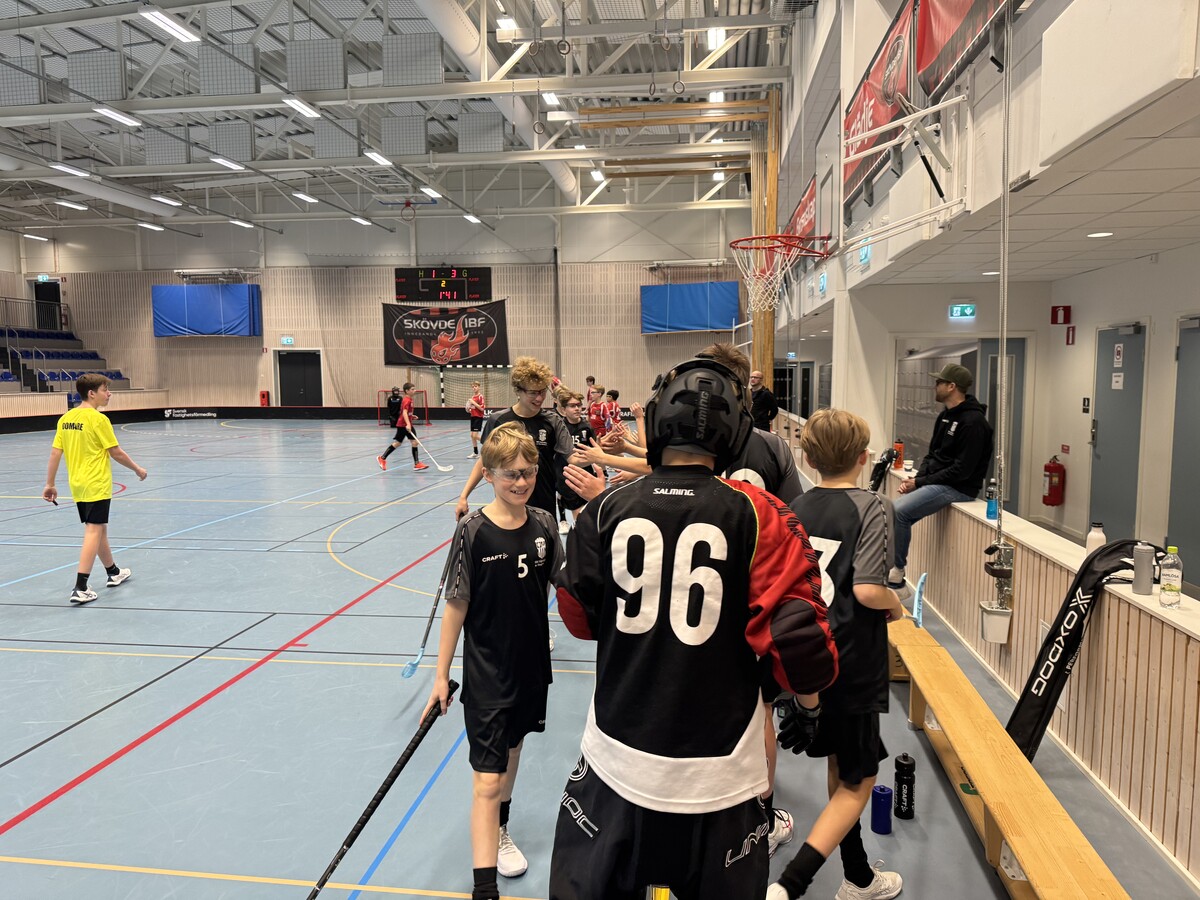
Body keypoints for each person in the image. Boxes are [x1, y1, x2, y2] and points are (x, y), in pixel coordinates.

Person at [548, 354, 838, 900]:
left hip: (617, 759)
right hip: (721, 776)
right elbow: (801, 644)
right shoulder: (763, 513)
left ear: (657, 419)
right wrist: (810, 708)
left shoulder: (606, 508)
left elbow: (578, 619)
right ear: (736, 432)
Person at [422, 422, 564, 900]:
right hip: (487, 675)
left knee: (514, 752)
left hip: (531, 671)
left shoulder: (544, 524)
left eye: (528, 472)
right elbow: (456, 605)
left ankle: (501, 829)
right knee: (486, 780)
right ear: (488, 475)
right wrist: (441, 675)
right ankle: (484, 890)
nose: (521, 482)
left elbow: (566, 583)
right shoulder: (473, 531)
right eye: (510, 474)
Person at [769, 408, 905, 900]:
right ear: (864, 458)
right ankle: (791, 885)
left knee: (840, 763)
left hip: (807, 658)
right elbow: (868, 589)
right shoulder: (874, 506)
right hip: (851, 660)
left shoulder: (795, 506)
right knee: (858, 779)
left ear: (808, 459)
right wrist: (897, 606)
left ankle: (858, 874)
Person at [42, 373, 148, 604]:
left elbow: (55, 452)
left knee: (99, 529)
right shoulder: (99, 419)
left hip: (78, 485)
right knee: (93, 530)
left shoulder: (66, 419)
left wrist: (50, 483)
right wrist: (138, 469)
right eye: (104, 389)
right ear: (91, 393)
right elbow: (116, 452)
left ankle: (113, 572)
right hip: (96, 483)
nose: (109, 394)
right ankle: (80, 587)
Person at [888, 364, 993, 592]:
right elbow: (933, 453)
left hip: (958, 487)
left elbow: (962, 470)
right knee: (893, 512)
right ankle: (889, 566)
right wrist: (917, 479)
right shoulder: (945, 415)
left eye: (939, 382)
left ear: (952, 386)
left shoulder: (974, 423)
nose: (934, 386)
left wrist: (920, 483)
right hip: (937, 482)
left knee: (899, 511)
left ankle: (897, 571)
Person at [455, 357, 575, 522]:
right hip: (507, 507)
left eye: (542, 391)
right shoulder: (498, 420)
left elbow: (573, 458)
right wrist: (464, 496)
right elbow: (484, 461)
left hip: (544, 507)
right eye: (533, 392)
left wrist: (600, 457)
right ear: (518, 391)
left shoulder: (552, 421)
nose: (539, 398)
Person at [555, 389, 597, 534]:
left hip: (584, 469)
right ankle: (562, 520)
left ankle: (580, 525)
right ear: (563, 409)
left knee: (582, 500)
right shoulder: (559, 426)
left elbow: (594, 449)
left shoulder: (587, 427)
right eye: (572, 406)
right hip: (563, 470)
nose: (577, 408)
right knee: (562, 495)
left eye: (579, 405)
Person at [377, 383, 429, 471]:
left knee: (413, 442)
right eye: (412, 389)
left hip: (406, 423)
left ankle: (417, 464)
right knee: (399, 443)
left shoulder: (409, 399)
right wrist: (408, 424)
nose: (415, 390)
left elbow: (405, 412)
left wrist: (411, 416)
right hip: (403, 425)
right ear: (407, 391)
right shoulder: (406, 400)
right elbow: (404, 412)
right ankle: (382, 458)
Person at [466, 380, 487, 458]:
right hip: (473, 417)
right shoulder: (473, 397)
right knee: (472, 435)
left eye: (476, 386)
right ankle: (475, 453)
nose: (474, 388)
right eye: (473, 387)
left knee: (475, 435)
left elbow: (482, 408)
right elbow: (473, 407)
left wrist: (473, 402)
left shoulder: (480, 396)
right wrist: (469, 409)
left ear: (479, 387)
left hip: (478, 417)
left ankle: (488, 444)